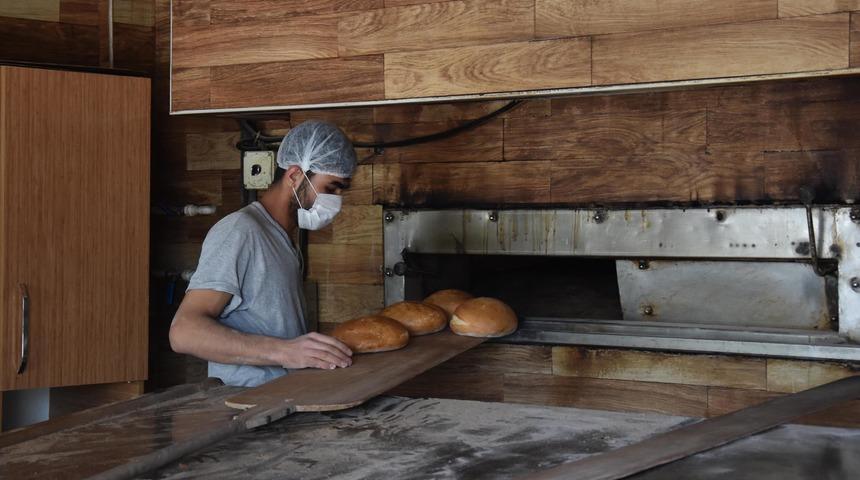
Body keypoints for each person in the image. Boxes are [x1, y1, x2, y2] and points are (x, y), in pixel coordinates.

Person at [169, 120, 356, 387]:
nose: (336, 201)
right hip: (245, 410)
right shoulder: (241, 231)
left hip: (280, 402)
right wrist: (286, 352)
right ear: (294, 176)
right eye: (331, 188)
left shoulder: (280, 238)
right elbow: (184, 332)